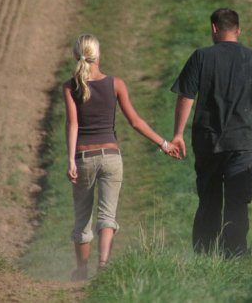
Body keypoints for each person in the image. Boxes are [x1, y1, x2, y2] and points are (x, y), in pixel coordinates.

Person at [170, 8, 252, 257]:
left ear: (214, 29)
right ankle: (235, 256)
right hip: (243, 143)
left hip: (208, 141)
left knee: (209, 201)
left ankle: (205, 256)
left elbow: (186, 97)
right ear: (238, 30)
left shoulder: (201, 57)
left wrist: (177, 135)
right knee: (237, 203)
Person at [63, 34, 179, 281]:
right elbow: (136, 122)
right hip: (111, 157)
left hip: (83, 156)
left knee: (82, 217)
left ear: (77, 55)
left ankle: (82, 271)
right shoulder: (115, 84)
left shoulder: (70, 86)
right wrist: (164, 143)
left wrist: (71, 160)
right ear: (98, 55)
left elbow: (72, 124)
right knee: (107, 216)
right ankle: (103, 266)